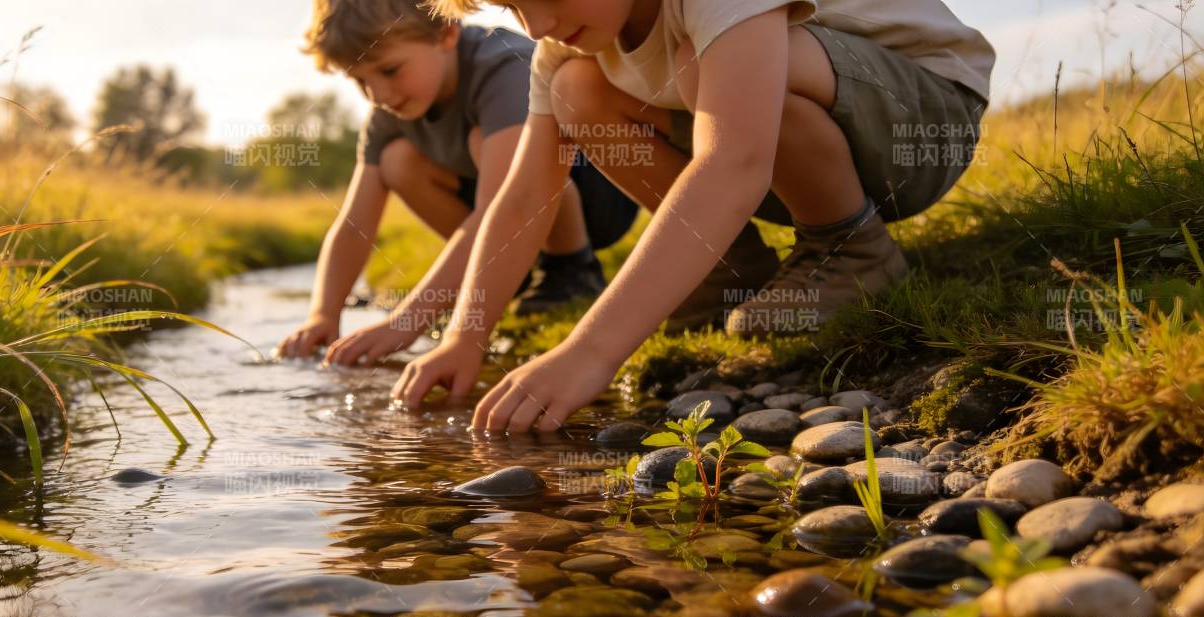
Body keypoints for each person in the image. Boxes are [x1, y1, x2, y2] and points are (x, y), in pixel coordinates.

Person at [392, 0, 994, 433]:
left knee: (710, 58)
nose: (537, 25)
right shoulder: (560, 48)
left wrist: (591, 352)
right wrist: (464, 337)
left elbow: (732, 160)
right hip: (795, 141)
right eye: (512, 8)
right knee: (577, 86)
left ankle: (853, 251)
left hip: (920, 123)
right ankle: (727, 276)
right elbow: (523, 198)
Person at [276, 0, 640, 365]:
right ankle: (514, 275)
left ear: (446, 33)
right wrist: (323, 314)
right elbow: (354, 224)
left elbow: (505, 201)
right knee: (396, 160)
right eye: (360, 80)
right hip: (505, 219)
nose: (379, 96)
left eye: (390, 70)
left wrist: (408, 320)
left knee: (484, 141)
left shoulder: (501, 67)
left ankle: (571, 270)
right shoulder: (387, 110)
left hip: (594, 198)